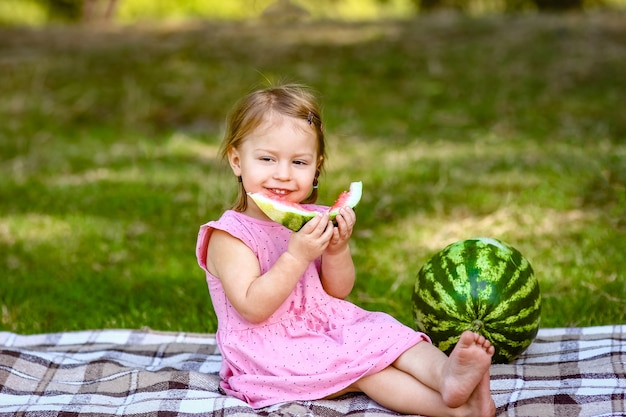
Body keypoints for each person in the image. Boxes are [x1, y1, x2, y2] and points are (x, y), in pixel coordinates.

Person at [196, 84, 496, 416]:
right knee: (367, 371)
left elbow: (337, 290)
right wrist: (296, 256)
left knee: (390, 334)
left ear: (316, 167)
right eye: (267, 159)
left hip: (329, 326)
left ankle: (448, 376)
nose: (282, 174)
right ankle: (460, 412)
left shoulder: (313, 219)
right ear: (237, 161)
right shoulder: (230, 236)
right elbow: (253, 307)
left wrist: (337, 250)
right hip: (271, 350)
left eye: (298, 162)